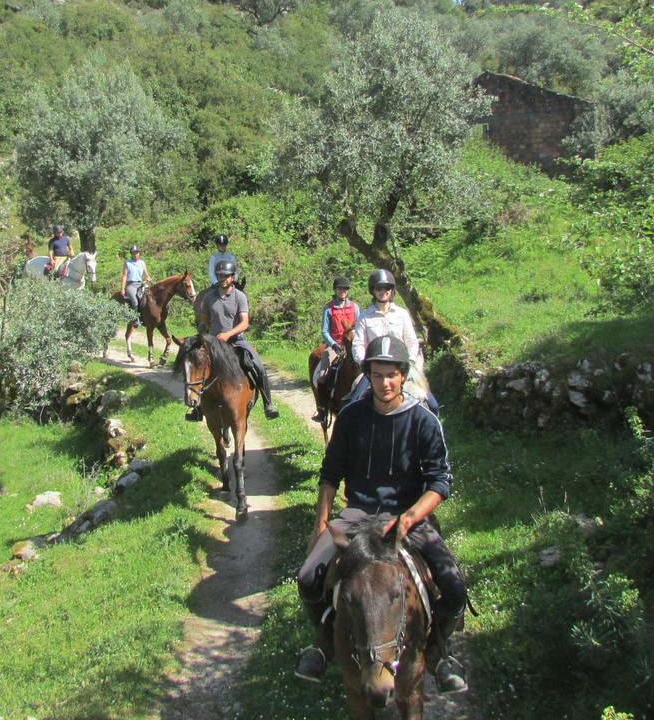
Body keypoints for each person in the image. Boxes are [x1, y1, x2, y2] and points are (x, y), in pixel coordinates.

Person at [294, 335, 468, 692]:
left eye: (391, 375)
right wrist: (320, 528)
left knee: (454, 586)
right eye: (377, 375)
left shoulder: (423, 421)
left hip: (406, 515)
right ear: (368, 375)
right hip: (357, 512)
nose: (384, 382)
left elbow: (439, 484)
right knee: (309, 576)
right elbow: (329, 476)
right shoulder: (351, 417)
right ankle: (325, 640)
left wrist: (406, 520)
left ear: (403, 375)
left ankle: (437, 649)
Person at [191, 258, 279, 421]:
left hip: (238, 341)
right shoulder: (210, 297)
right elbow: (204, 318)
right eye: (220, 275)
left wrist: (228, 334)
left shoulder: (239, 297)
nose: (223, 278)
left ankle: (268, 404)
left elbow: (245, 323)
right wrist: (208, 331)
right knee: (198, 368)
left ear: (232, 277)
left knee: (259, 367)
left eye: (226, 276)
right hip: (215, 342)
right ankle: (196, 408)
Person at [350, 268, 440, 414]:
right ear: (373, 290)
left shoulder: (402, 314)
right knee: (353, 402)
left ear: (392, 291)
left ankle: (434, 433)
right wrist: (364, 362)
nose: (383, 291)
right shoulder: (365, 317)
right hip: (376, 367)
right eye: (379, 288)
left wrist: (408, 362)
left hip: (401, 366)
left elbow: (411, 342)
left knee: (433, 406)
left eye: (387, 288)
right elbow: (358, 344)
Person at [311, 276, 361, 423]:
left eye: (345, 289)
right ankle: (322, 409)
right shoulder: (328, 308)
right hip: (335, 346)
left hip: (352, 346)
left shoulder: (354, 307)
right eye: (340, 288)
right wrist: (334, 344)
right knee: (322, 375)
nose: (342, 291)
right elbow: (325, 331)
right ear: (335, 290)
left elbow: (359, 327)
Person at [121, 245, 151, 325]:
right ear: (131, 253)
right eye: (134, 253)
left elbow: (146, 274)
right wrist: (122, 288)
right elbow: (124, 275)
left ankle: (147, 316)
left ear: (139, 253)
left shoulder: (142, 263)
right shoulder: (128, 263)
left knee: (149, 296)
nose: (136, 254)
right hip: (131, 285)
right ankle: (135, 319)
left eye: (137, 253)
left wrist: (148, 277)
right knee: (135, 301)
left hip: (140, 284)